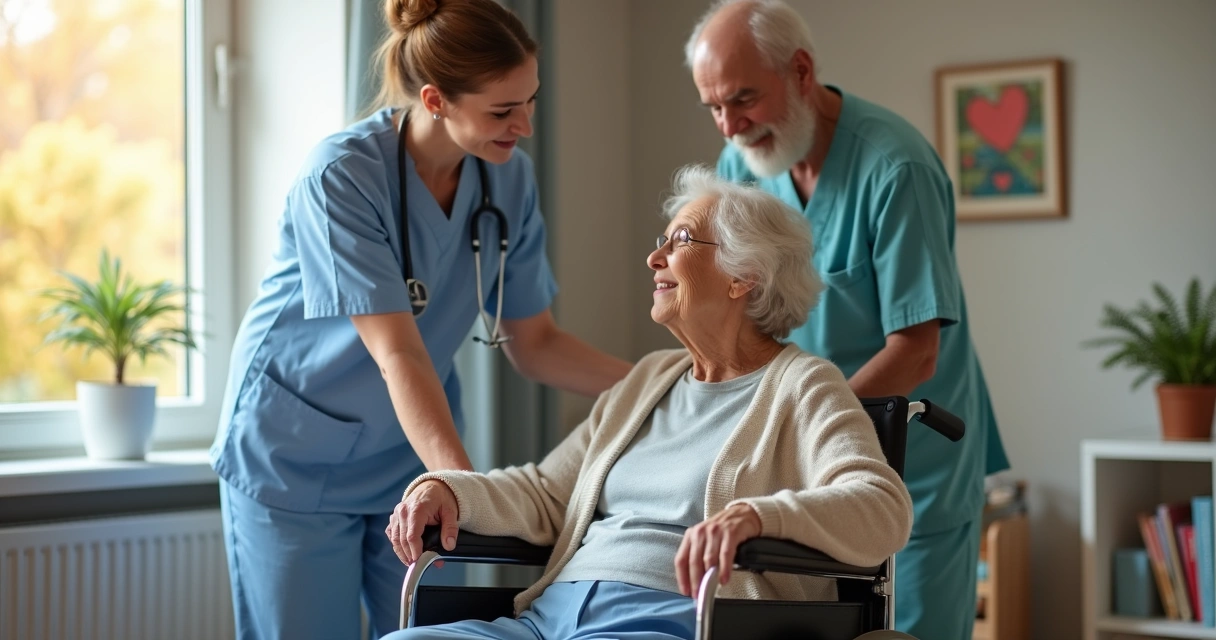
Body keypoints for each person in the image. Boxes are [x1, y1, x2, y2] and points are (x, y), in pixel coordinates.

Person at [208, 0, 632, 638]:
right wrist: (463, 486)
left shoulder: (508, 180)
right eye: (501, 111)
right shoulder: (342, 175)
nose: (524, 126)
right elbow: (398, 352)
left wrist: (661, 383)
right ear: (435, 100)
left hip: (405, 459)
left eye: (530, 102)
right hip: (294, 455)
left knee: (427, 634)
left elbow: (536, 343)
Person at [381, 165, 915, 640]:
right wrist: (449, 490)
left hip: (670, 620)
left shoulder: (805, 385)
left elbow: (881, 507)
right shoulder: (649, 379)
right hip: (546, 620)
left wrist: (757, 516)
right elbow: (546, 494)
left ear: (743, 277)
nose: (654, 257)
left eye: (680, 240)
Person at [683, 2, 1010, 639]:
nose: (729, 125)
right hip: (808, 465)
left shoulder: (896, 168)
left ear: (801, 72)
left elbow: (915, 351)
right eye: (713, 107)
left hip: (911, 461)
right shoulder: (741, 167)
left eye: (743, 99)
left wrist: (798, 429)